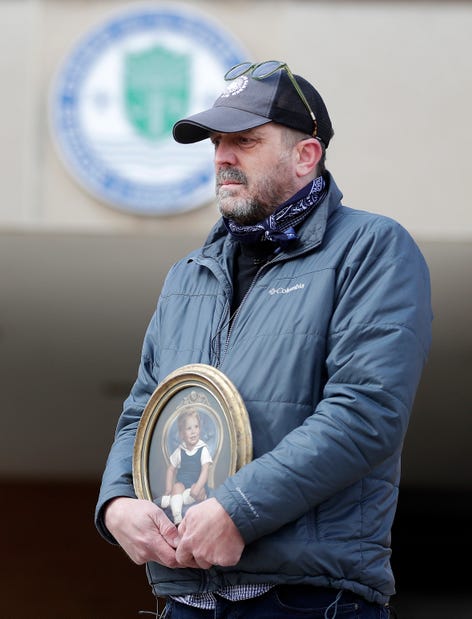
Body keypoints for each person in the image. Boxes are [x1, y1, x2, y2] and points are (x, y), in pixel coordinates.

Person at [95, 60, 432, 618]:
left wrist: (236, 509)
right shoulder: (189, 273)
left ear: (306, 156)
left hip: (310, 599)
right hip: (186, 600)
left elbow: (366, 411)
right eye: (217, 142)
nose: (223, 156)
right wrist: (117, 504)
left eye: (245, 141)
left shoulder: (372, 248)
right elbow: (142, 411)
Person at [159, 408, 213, 525]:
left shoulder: (202, 449)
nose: (193, 431)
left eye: (196, 427)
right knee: (177, 487)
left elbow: (205, 470)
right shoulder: (180, 450)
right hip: (183, 483)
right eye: (189, 428)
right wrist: (169, 488)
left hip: (196, 483)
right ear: (182, 434)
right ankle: (177, 515)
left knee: (198, 493)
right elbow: (171, 469)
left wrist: (198, 486)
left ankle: (172, 500)